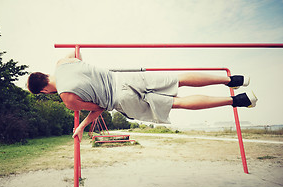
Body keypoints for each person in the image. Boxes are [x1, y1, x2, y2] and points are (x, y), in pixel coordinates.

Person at [27, 52, 257, 142]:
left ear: (44, 91)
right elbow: (76, 55)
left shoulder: (66, 98)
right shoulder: (62, 63)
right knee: (179, 80)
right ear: (45, 74)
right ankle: (233, 80)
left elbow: (99, 108)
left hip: (122, 99)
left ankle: (238, 101)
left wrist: (82, 126)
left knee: (178, 103)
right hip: (125, 79)